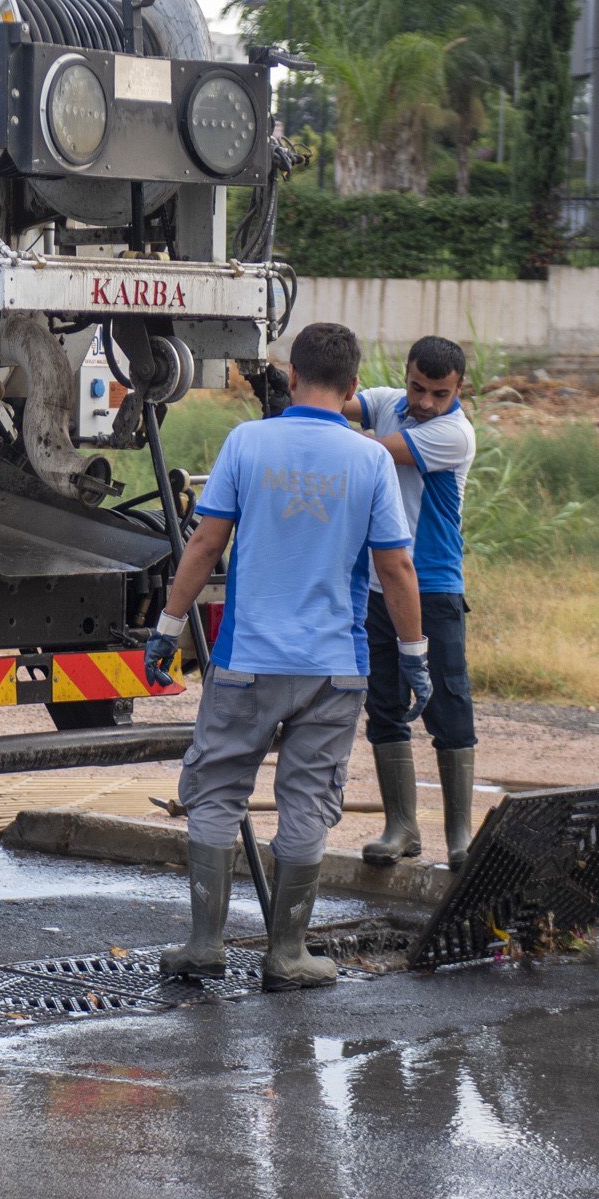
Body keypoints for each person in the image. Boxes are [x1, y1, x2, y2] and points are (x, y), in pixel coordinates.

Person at [142, 322, 431, 991]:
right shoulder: (369, 460)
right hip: (334, 668)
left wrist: (168, 627)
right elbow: (397, 568)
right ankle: (288, 953)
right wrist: (414, 656)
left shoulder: (249, 441)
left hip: (247, 659)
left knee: (216, 792)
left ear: (292, 377)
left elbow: (206, 542)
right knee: (307, 802)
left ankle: (204, 943)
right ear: (355, 386)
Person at [347, 336, 479, 870]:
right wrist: (291, 392)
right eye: (417, 387)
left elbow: (373, 450)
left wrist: (316, 425)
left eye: (439, 393)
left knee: (448, 707)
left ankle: (460, 837)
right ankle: (401, 827)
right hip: (379, 586)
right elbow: (337, 402)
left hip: (433, 588)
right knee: (384, 706)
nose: (425, 402)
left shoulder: (455, 433)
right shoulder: (386, 403)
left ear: (459, 389)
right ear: (406, 375)